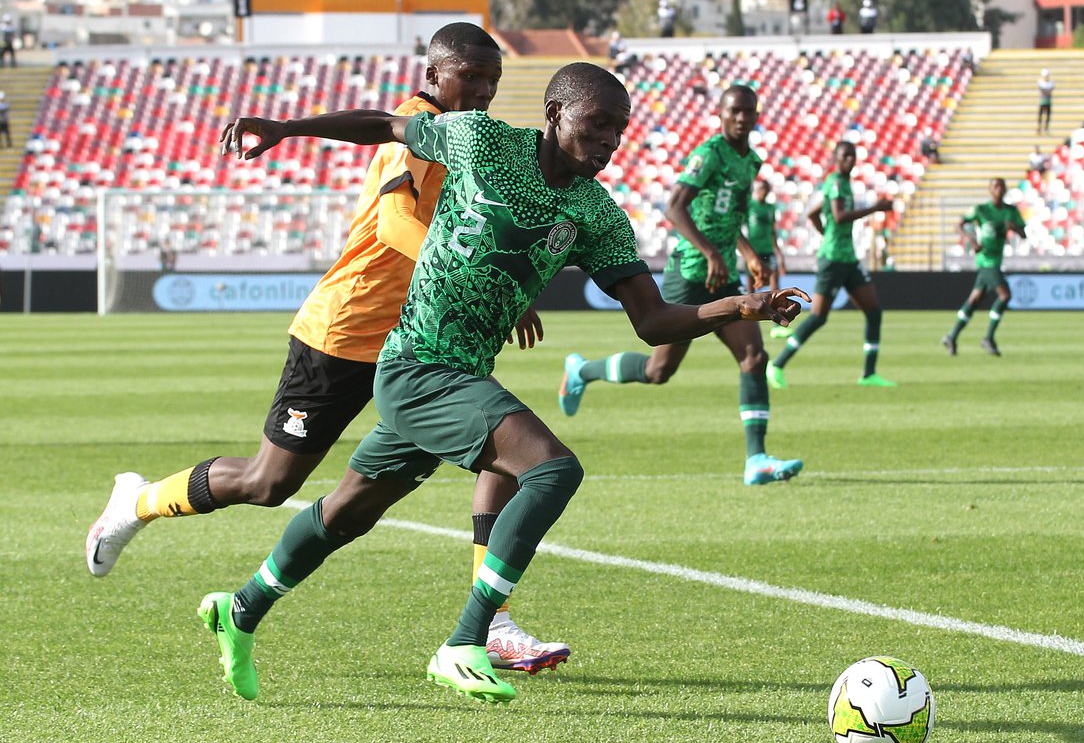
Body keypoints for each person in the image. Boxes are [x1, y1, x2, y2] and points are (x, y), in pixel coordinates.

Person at [203, 63, 809, 704]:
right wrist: (287, 129)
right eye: (596, 123)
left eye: (619, 130)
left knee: (349, 512)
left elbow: (654, 321)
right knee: (552, 469)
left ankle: (238, 609)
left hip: (461, 376)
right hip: (415, 366)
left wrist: (741, 307)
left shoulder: (596, 214)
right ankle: (466, 641)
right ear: (554, 113)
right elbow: (384, 124)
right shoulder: (481, 141)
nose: (609, 141)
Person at [85, 23, 570, 677]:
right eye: (472, 78)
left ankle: (494, 624)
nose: (483, 92)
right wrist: (476, 270)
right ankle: (137, 502)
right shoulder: (414, 125)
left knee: (504, 452)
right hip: (346, 331)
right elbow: (398, 222)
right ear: (435, 74)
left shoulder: (464, 138)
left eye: (493, 82)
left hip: (420, 341)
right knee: (268, 482)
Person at [558, 86, 805, 487]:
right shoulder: (709, 155)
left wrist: (748, 253)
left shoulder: (751, 161)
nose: (743, 118)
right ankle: (582, 370)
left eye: (749, 112)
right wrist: (710, 253)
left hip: (722, 276)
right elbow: (674, 206)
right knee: (658, 371)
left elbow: (728, 217)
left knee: (754, 357)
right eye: (735, 111)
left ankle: (756, 459)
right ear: (722, 115)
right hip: (691, 272)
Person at [766, 140, 896, 389]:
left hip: (848, 257)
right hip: (833, 260)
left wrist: (826, 234)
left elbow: (814, 213)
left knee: (874, 311)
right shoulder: (836, 181)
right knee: (818, 317)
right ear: (836, 159)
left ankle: (868, 374)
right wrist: (876, 208)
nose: (849, 160)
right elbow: (838, 215)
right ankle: (777, 365)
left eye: (852, 156)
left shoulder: (842, 184)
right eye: (845, 156)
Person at [941, 178, 1026, 357]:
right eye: (995, 186)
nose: (999, 190)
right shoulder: (981, 210)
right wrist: (972, 241)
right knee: (1005, 295)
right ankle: (988, 337)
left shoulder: (1011, 211)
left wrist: (1015, 229)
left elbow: (1023, 234)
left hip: (996, 259)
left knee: (974, 300)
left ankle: (951, 336)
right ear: (990, 189)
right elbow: (958, 225)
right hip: (986, 260)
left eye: (1002, 186)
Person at [748, 178, 787, 293]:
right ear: (757, 190)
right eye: (761, 189)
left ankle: (775, 308)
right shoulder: (750, 205)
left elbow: (773, 230)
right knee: (752, 283)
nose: (763, 192)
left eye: (766, 189)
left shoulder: (771, 208)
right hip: (753, 251)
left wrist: (778, 251)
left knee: (774, 280)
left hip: (768, 250)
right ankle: (750, 309)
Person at [1037, 69, 1054, 135]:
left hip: (1048, 101)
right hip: (1042, 101)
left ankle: (1046, 128)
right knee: (1040, 115)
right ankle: (1039, 128)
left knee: (1047, 116)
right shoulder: (1041, 83)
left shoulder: (1050, 83)